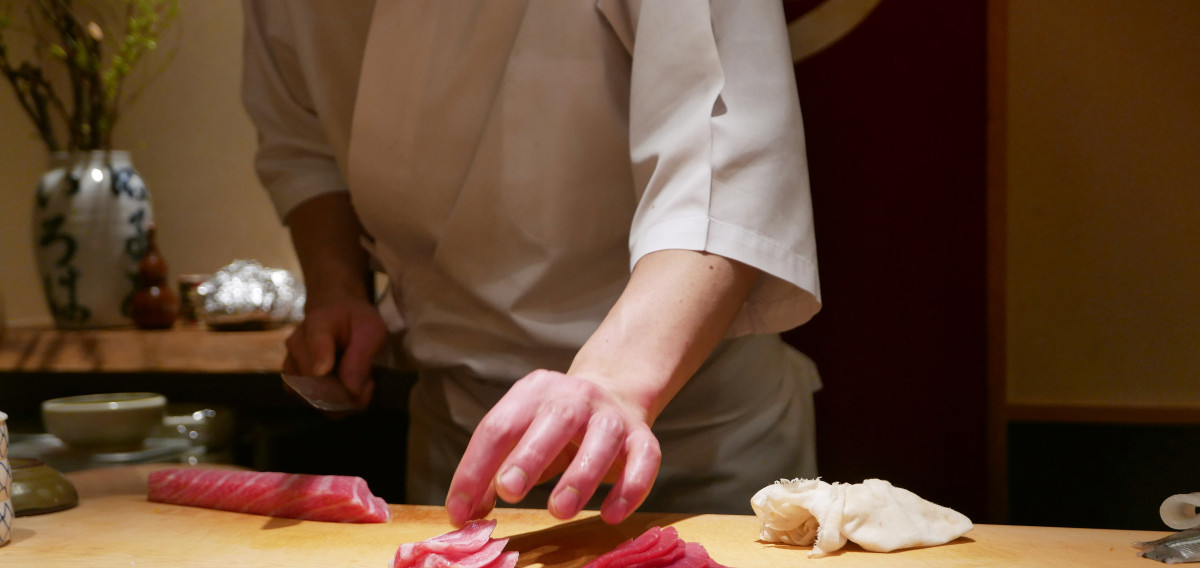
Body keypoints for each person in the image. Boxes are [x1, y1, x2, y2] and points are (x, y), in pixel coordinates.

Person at [241, 0, 822, 527]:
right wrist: (338, 288)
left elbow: (725, 162)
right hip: (461, 433)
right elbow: (302, 143)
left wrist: (615, 381)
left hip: (690, 437)